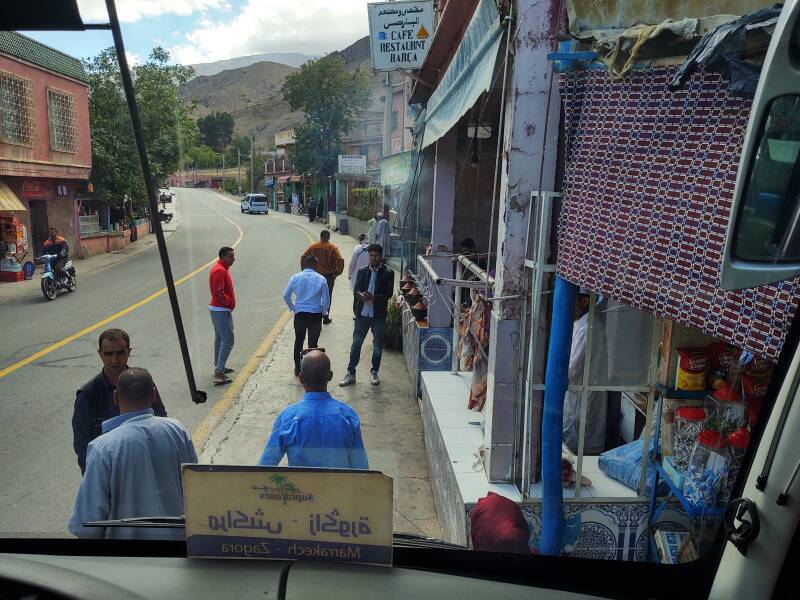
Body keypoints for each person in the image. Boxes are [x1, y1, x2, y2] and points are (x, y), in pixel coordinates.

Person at [68, 368, 197, 540]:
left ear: (115, 397)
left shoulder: (103, 448)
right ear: (153, 394)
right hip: (179, 546)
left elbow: (86, 525)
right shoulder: (177, 430)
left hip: (129, 560)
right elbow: (195, 488)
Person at [72, 328, 167, 475]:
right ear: (100, 354)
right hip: (110, 471)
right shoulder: (88, 395)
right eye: (109, 354)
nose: (115, 360)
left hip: (146, 465)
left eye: (120, 353)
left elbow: (160, 419)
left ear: (129, 352)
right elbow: (82, 444)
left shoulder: (143, 382)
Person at [258, 350, 368, 469]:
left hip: (301, 487)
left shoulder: (287, 418)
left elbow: (264, 467)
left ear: (301, 378)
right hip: (338, 487)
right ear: (330, 376)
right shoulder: (348, 416)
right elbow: (361, 468)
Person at [339, 243, 395, 387]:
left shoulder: (388, 272)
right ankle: (351, 373)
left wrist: (374, 298)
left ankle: (374, 372)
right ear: (369, 256)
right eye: (371, 255)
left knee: (377, 345)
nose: (373, 258)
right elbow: (356, 288)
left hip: (378, 315)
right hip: (362, 314)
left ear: (381, 257)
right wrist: (361, 295)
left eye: (376, 255)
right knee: (356, 343)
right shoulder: (363, 271)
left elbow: (388, 294)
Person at [562, 290, 608, 455]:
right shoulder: (581, 324)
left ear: (584, 302)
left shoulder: (589, 328)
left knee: (578, 448)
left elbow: (572, 371)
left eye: (572, 300)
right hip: (577, 396)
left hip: (583, 398)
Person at [284, 255, 331, 376]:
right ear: (316, 265)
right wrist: (324, 312)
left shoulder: (295, 277)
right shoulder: (321, 279)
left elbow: (286, 295)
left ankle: (298, 368)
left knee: (299, 341)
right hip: (315, 314)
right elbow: (326, 299)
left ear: (304, 265)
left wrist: (293, 307)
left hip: (300, 314)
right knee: (313, 344)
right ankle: (310, 370)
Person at [300, 230, 344, 325]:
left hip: (314, 275)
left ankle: (313, 316)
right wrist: (337, 272)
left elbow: (303, 257)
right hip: (328, 277)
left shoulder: (313, 247)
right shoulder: (332, 248)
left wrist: (304, 271)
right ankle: (325, 317)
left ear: (320, 236)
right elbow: (340, 260)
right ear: (328, 237)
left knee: (314, 295)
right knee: (327, 297)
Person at [209, 246, 236, 385]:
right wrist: (229, 303)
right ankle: (219, 372)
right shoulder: (219, 270)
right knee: (228, 340)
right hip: (220, 309)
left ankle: (219, 366)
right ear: (223, 257)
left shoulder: (221, 268)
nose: (233, 259)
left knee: (220, 338)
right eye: (231, 256)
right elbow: (219, 292)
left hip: (218, 309)